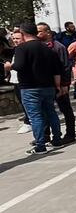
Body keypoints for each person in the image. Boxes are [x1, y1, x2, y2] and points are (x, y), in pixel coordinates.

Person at [3, 23, 64, 155]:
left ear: (24, 34)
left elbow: (19, 66)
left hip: (30, 87)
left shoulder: (22, 48)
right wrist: (58, 86)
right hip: (48, 86)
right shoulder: (47, 47)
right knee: (51, 112)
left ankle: (40, 145)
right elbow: (57, 70)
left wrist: (9, 66)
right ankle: (57, 138)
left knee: (35, 116)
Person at [37, 22, 76, 144]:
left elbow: (65, 66)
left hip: (59, 83)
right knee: (45, 110)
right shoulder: (38, 46)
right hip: (45, 84)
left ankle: (70, 133)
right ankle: (46, 135)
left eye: (39, 31)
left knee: (65, 108)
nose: (37, 34)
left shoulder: (58, 47)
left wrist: (64, 84)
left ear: (47, 32)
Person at [8, 31, 32, 134]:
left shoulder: (25, 49)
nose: (15, 41)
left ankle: (28, 122)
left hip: (24, 81)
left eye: (17, 38)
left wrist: (10, 66)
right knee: (23, 103)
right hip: (16, 80)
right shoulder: (16, 50)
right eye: (14, 39)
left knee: (27, 103)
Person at [56, 21, 76, 99]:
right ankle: (64, 92)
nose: (74, 28)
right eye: (72, 27)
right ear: (67, 28)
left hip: (75, 58)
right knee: (66, 75)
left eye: (74, 27)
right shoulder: (60, 36)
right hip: (65, 58)